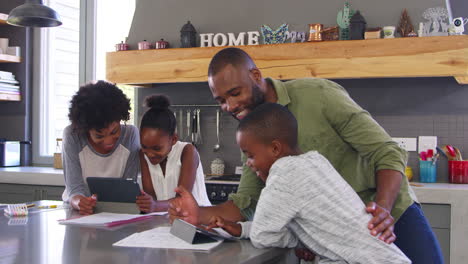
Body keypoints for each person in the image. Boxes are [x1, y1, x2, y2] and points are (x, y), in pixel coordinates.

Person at [169, 47, 443, 263]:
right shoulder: (253, 135)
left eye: (234, 93)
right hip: (339, 237)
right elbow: (248, 203)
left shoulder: (319, 96)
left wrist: (383, 207)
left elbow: (387, 152)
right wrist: (200, 214)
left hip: (387, 216)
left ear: (255, 76)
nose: (229, 106)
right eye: (220, 100)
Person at [174, 103, 411, 263]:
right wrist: (242, 229)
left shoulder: (283, 174)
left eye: (251, 155)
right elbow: (295, 232)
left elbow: (265, 236)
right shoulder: (314, 162)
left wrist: (251, 231)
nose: (248, 163)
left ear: (275, 148)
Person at [62, 80, 140, 215]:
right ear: (85, 130)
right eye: (99, 136)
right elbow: (74, 189)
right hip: (78, 212)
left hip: (117, 211)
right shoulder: (72, 135)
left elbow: (128, 187)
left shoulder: (131, 135)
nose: (108, 141)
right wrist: (80, 202)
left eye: (114, 132)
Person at [136, 95, 211, 213]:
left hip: (199, 221)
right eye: (145, 146)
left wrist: (155, 206)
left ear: (174, 139)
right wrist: (148, 203)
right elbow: (151, 197)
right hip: (164, 222)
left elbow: (182, 198)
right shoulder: (143, 155)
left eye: (157, 148)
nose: (150, 154)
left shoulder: (187, 151)